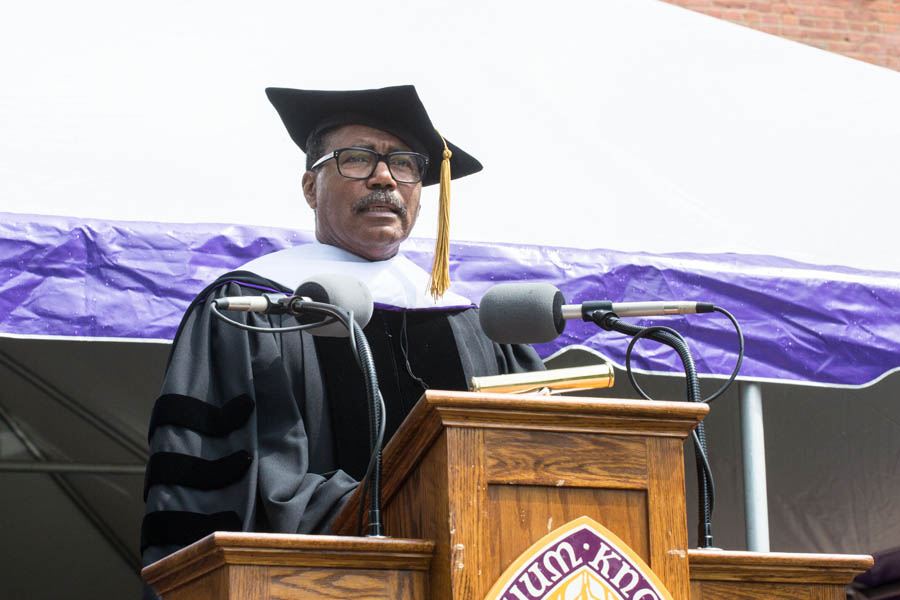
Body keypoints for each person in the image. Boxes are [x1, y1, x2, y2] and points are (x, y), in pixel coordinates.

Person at [140, 86, 544, 575]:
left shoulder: (470, 320)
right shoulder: (250, 308)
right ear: (311, 188)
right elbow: (229, 483)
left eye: (406, 164)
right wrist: (398, 516)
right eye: (356, 159)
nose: (384, 178)